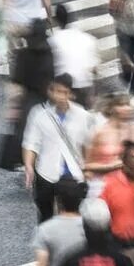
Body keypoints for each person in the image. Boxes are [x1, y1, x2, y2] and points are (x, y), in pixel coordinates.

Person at [21, 75, 93, 225]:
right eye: (57, 91)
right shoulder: (39, 114)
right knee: (45, 217)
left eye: (64, 92)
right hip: (47, 173)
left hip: (74, 175)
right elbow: (30, 143)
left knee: (75, 218)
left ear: (71, 94)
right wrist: (29, 166)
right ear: (50, 91)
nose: (60, 96)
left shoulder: (82, 115)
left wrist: (88, 168)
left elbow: (88, 144)